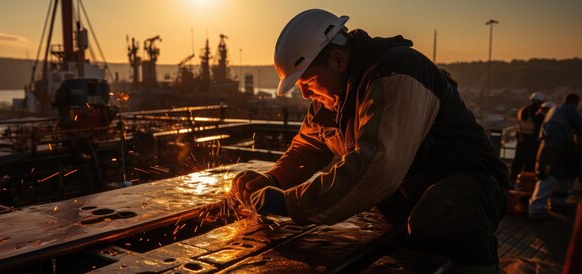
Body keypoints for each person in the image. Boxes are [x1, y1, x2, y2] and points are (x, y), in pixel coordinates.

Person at [231, 9, 508, 272]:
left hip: (473, 184)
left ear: (338, 59)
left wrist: (288, 204)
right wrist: (273, 180)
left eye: (308, 81)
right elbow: (307, 148)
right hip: (406, 195)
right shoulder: (331, 97)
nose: (304, 94)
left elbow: (376, 166)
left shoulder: (397, 71)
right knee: (404, 228)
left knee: (444, 214)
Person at [528, 93, 582, 218]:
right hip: (555, 146)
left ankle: (555, 203)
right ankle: (536, 208)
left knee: (555, 173)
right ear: (574, 102)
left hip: (546, 144)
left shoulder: (555, 109)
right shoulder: (568, 110)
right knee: (549, 174)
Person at [510, 92, 546, 182]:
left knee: (517, 163)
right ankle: (525, 184)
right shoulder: (538, 114)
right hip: (532, 143)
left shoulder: (522, 111)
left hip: (521, 140)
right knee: (530, 165)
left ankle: (512, 182)